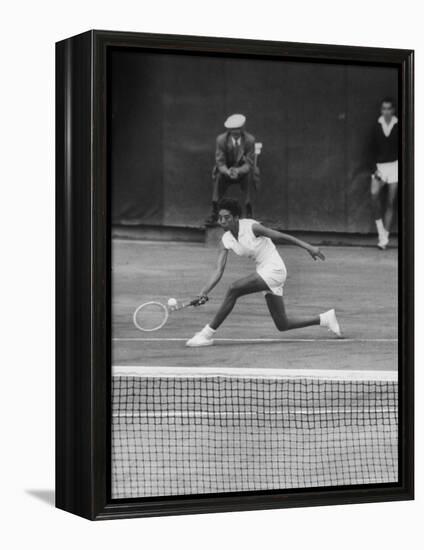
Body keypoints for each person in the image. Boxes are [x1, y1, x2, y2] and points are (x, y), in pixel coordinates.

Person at [187, 198, 342, 347]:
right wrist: (203, 292)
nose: (222, 222)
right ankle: (325, 319)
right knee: (282, 324)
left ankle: (205, 334)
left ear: (236, 217)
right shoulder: (225, 240)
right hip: (263, 271)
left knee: (234, 288)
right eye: (220, 218)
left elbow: (280, 236)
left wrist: (309, 247)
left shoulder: (252, 227)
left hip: (274, 269)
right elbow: (219, 269)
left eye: (226, 218)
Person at [205, 114, 256, 225]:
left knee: (249, 178)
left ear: (243, 129)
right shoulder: (221, 140)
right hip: (226, 172)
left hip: (242, 172)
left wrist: (238, 171)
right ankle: (215, 212)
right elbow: (220, 161)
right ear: (229, 130)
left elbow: (249, 163)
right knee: (218, 177)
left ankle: (249, 212)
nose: (235, 132)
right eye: (233, 130)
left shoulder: (250, 140)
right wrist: (227, 171)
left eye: (238, 130)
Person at [370, 97, 398, 250]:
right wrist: (375, 169)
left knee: (390, 202)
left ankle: (384, 237)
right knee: (374, 196)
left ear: (393, 110)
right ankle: (381, 231)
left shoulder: (399, 125)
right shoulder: (376, 126)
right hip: (379, 167)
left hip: (395, 167)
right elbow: (370, 149)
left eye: (389, 108)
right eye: (384, 109)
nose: (386, 111)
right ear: (381, 110)